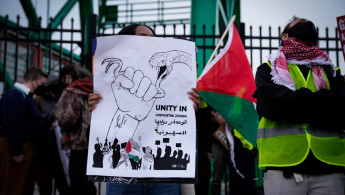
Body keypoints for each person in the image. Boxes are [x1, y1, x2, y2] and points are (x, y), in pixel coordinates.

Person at [88, 23, 200, 195]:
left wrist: (189, 104)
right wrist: (104, 108)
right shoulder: (112, 82)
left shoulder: (172, 81)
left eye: (153, 39)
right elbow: (104, 143)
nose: (151, 43)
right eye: (143, 37)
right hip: (123, 177)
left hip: (164, 176)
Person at [253, 17, 345, 195]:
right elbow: (272, 107)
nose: (305, 21)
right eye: (298, 22)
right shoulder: (268, 69)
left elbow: (341, 111)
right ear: (285, 35)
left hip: (331, 168)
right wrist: (324, 100)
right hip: (283, 167)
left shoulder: (332, 71)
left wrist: (295, 103)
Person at [0, 66, 48, 195]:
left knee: (23, 187)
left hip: (26, 148)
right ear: (33, 79)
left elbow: (29, 120)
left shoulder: (26, 97)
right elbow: (12, 123)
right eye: (42, 83)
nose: (43, 87)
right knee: (13, 187)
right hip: (17, 149)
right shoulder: (16, 95)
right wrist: (17, 151)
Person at [55, 65, 97, 195]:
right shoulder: (93, 86)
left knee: (77, 184)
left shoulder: (72, 91)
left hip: (78, 144)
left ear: (67, 77)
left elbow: (66, 120)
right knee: (89, 184)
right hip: (94, 144)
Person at [35, 74, 70, 195]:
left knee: (64, 182)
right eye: (56, 83)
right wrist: (52, 117)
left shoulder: (62, 97)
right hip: (45, 146)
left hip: (61, 147)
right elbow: (36, 118)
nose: (59, 86)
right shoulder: (40, 99)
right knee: (46, 184)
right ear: (50, 85)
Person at [211, 112, 261, 195]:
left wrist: (227, 116)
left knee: (246, 186)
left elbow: (240, 111)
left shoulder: (240, 101)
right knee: (235, 186)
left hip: (244, 147)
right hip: (234, 147)